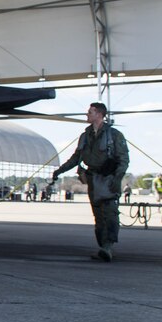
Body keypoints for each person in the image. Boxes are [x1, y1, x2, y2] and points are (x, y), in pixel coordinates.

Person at [52, 102, 129, 261]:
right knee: (99, 217)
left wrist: (117, 178)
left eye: (90, 112)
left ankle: (108, 247)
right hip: (93, 180)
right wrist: (59, 170)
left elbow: (123, 160)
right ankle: (102, 247)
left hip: (108, 180)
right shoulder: (85, 136)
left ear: (99, 114)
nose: (87, 115)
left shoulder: (114, 135)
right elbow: (76, 158)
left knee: (110, 215)